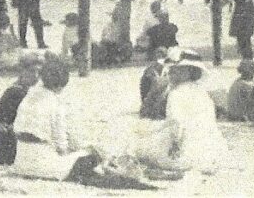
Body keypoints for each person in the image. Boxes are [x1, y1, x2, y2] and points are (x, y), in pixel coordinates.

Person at [13, 54, 155, 189]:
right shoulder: (55, 103)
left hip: (21, 162)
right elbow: (61, 145)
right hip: (42, 166)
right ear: (60, 85)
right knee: (91, 156)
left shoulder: (28, 97)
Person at [133, 54, 229, 174]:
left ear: (186, 73)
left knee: (141, 147)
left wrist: (175, 143)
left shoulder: (176, 93)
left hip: (186, 148)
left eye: (174, 71)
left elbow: (176, 122)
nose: (170, 73)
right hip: (211, 146)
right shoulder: (201, 91)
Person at [0, 54, 44, 165]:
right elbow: (5, 124)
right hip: (10, 145)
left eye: (38, 72)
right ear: (21, 71)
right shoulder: (14, 93)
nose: (36, 76)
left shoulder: (32, 91)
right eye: (31, 71)